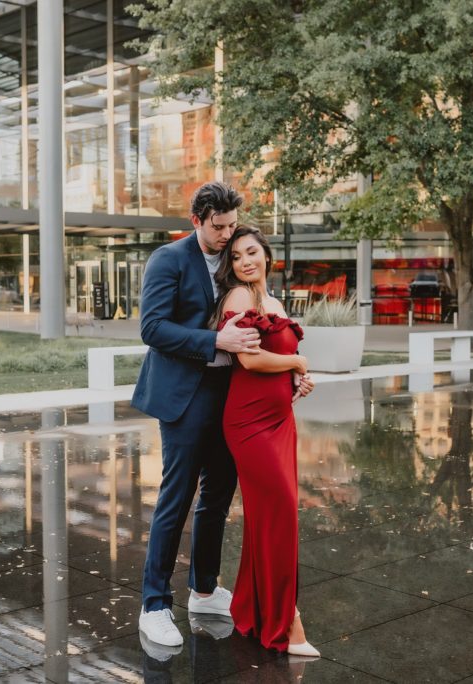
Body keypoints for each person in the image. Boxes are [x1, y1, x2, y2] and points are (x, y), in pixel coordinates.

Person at [132, 182, 262, 649]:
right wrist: (214, 342)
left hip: (229, 395)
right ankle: (153, 605)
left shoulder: (234, 259)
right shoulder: (168, 259)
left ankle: (204, 590)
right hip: (183, 396)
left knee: (218, 496)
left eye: (231, 225)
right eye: (218, 226)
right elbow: (152, 327)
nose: (227, 234)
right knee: (177, 497)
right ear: (196, 220)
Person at [212, 225, 319, 657]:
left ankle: (252, 611)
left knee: (268, 519)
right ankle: (288, 621)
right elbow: (250, 360)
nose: (244, 262)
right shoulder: (239, 298)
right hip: (249, 422)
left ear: (267, 255)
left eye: (251, 252)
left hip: (281, 419)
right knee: (279, 517)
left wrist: (298, 378)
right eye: (236, 257)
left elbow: (277, 362)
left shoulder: (273, 302)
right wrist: (297, 359)